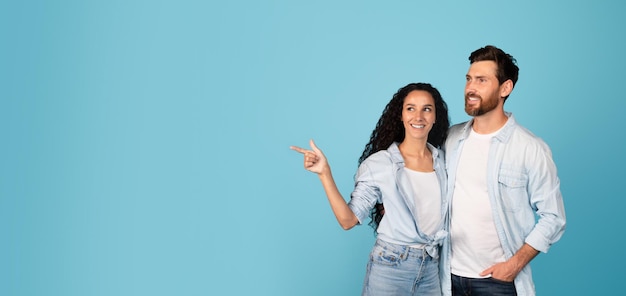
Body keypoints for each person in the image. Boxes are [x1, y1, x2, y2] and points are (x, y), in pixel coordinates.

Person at [291, 82, 450, 295]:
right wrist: (325, 173)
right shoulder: (380, 165)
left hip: (431, 266)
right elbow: (348, 220)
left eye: (426, 109)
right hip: (391, 265)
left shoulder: (443, 161)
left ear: (435, 117)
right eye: (410, 108)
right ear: (401, 115)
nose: (418, 116)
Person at [441, 45, 567, 296]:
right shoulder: (451, 138)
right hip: (447, 278)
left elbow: (554, 217)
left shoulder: (530, 148)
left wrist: (513, 266)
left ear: (505, 88)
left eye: (481, 80)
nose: (470, 88)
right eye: (468, 79)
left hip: (497, 282)